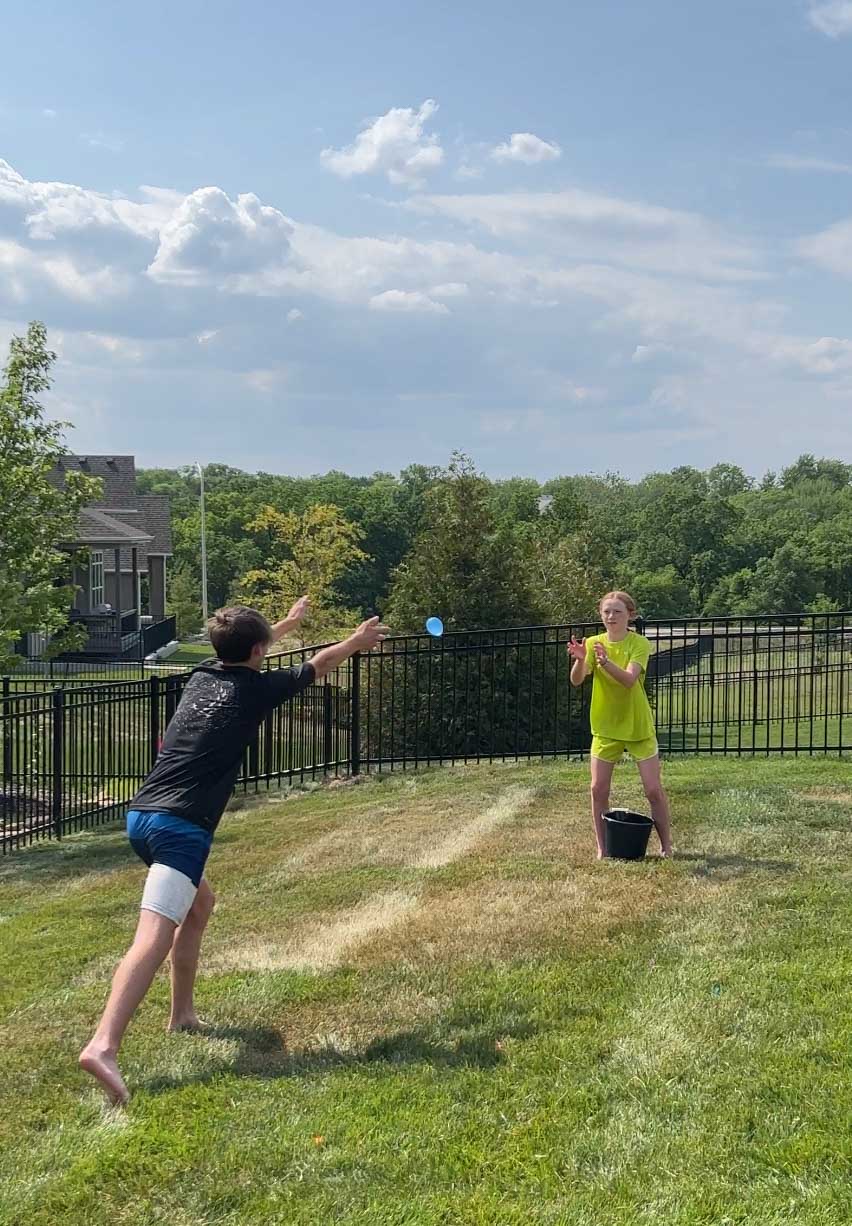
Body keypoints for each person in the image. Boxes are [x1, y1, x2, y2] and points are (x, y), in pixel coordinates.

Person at [79, 598, 388, 1105]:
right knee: (152, 938)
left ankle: (181, 1015)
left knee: (199, 906)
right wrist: (355, 642)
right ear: (260, 650)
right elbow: (321, 663)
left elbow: (252, 644)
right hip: (181, 827)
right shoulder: (257, 691)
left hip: (142, 817)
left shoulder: (203, 673)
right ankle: (104, 1045)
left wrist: (285, 623)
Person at [567, 590, 672, 859]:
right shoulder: (593, 643)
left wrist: (606, 662)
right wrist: (581, 659)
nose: (611, 617)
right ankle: (603, 847)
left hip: (637, 726)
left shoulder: (639, 644)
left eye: (617, 612)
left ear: (630, 616)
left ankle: (666, 846)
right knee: (597, 789)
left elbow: (628, 680)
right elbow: (577, 680)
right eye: (606, 612)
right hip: (605, 726)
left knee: (653, 790)